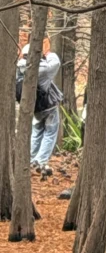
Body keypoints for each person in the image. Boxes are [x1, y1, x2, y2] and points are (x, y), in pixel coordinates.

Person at [16, 41, 63, 176]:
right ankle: (41, 161)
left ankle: (31, 159)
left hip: (34, 108)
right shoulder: (43, 69)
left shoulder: (18, 69)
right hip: (48, 107)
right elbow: (56, 63)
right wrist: (48, 53)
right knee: (50, 133)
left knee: (36, 133)